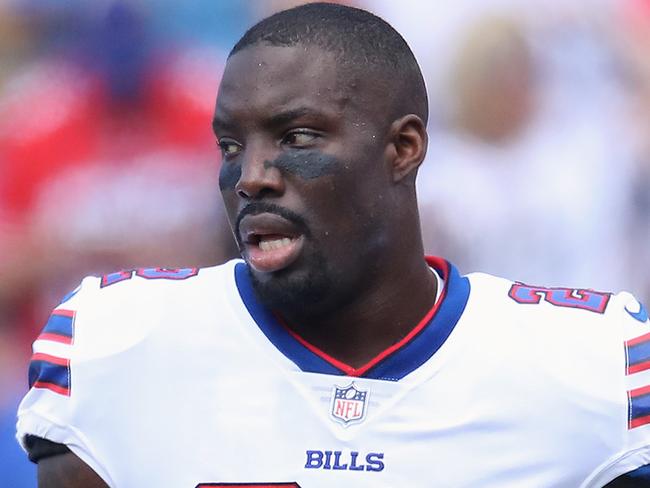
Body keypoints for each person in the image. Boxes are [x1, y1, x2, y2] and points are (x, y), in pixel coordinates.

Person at [14, 3, 650, 487]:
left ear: (404, 148)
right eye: (231, 145)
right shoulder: (118, 345)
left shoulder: (591, 370)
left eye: (296, 137)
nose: (252, 175)